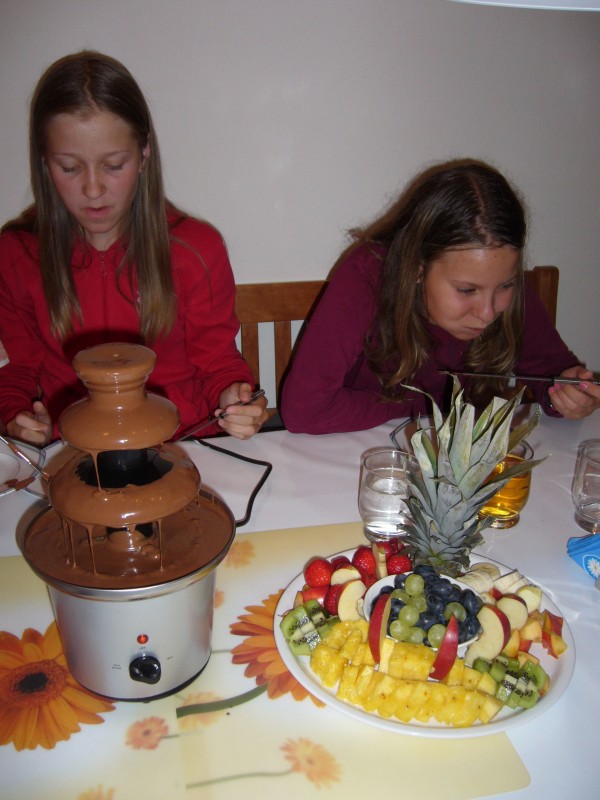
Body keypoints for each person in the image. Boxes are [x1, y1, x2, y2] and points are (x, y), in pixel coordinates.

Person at [0, 51, 268, 445]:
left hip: (182, 443)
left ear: (143, 155)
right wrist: (15, 416)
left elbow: (217, 364)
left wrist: (235, 399)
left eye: (113, 165)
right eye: (69, 167)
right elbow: (19, 369)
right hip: (72, 447)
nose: (93, 189)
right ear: (44, 161)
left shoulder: (196, 249)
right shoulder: (17, 254)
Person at [281, 159, 600, 434]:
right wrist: (420, 404)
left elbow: (551, 373)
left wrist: (567, 394)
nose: (488, 313)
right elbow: (305, 410)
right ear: (417, 268)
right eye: (466, 290)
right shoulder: (367, 275)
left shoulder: (498, 276)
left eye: (506, 286)